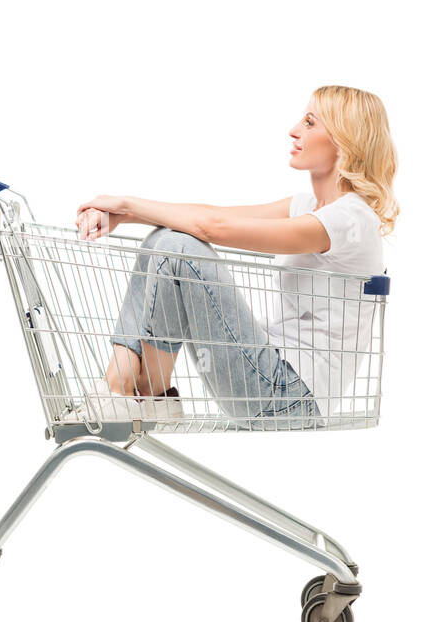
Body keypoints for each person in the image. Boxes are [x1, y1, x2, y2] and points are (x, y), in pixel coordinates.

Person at [72, 85, 398, 429]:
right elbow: (213, 214)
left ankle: (127, 393)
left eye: (310, 122)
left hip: (289, 395)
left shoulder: (350, 218)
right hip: (267, 372)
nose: (294, 130)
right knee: (161, 239)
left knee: (177, 247)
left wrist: (125, 204)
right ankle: (138, 393)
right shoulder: (305, 206)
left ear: (344, 142)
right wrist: (123, 216)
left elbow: (212, 227)